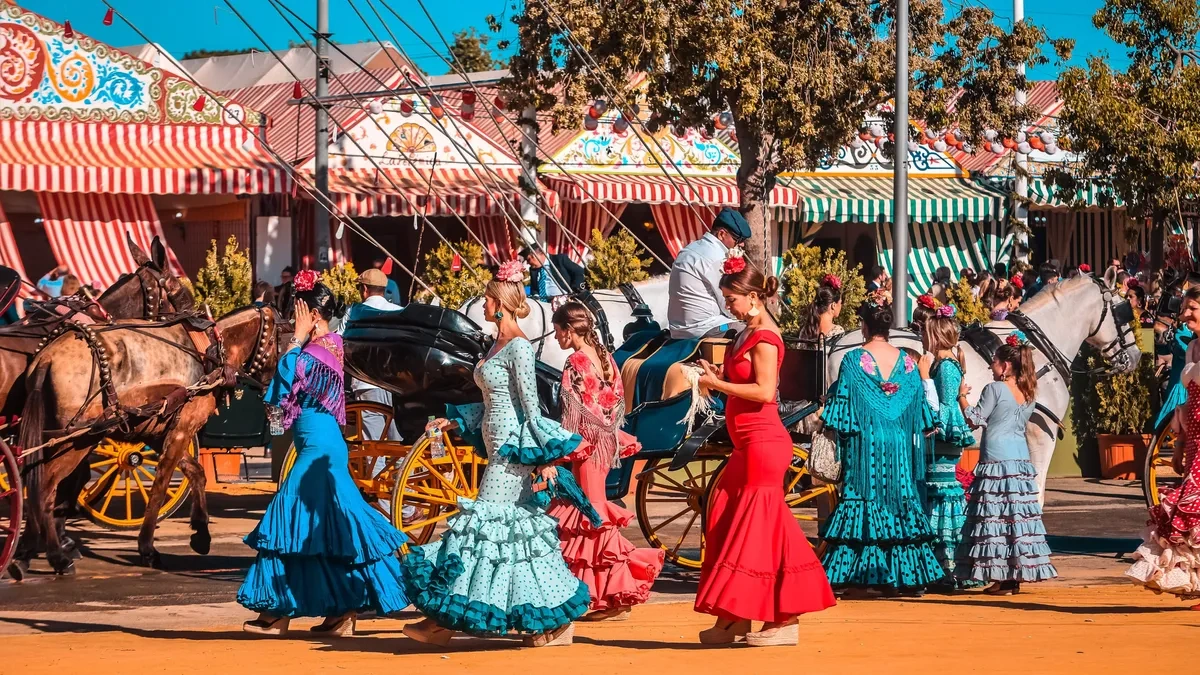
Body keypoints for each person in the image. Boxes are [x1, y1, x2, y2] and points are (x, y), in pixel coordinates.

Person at [403, 261, 589, 648]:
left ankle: (443, 620)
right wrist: (452, 422)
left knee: (479, 527)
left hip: (511, 454)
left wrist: (544, 457)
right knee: (516, 535)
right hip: (497, 445)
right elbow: (491, 403)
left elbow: (530, 408)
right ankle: (552, 623)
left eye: (486, 299)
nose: (483, 306)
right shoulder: (496, 345)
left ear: (499, 302)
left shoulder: (519, 347)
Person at [238, 271, 409, 636]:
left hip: (321, 451)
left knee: (287, 519)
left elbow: (287, 376)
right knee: (328, 529)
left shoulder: (323, 348)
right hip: (317, 447)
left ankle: (276, 610)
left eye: (297, 312)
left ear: (313, 315)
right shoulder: (321, 345)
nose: (291, 320)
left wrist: (296, 340)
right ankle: (342, 611)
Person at [693, 255, 835, 646]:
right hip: (747, 444)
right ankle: (737, 614)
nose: (727, 305)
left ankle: (784, 617)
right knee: (723, 510)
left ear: (753, 297)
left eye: (731, 298)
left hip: (763, 443)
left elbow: (764, 392)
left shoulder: (766, 337)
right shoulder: (744, 332)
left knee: (763, 528)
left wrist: (718, 386)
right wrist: (720, 377)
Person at [547, 302, 664, 621]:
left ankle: (604, 594)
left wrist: (560, 449)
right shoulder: (605, 358)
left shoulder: (575, 361)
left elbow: (571, 414)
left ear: (570, 331)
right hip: (605, 444)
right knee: (591, 514)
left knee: (590, 518)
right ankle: (608, 596)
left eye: (558, 331)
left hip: (586, 448)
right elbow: (617, 404)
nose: (556, 338)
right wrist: (605, 432)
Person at [821, 299, 944, 595]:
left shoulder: (852, 360)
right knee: (900, 499)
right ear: (888, 328)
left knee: (864, 500)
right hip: (899, 444)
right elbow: (921, 410)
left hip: (866, 445)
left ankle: (860, 577)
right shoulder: (907, 362)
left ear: (864, 326)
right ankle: (906, 577)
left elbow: (843, 408)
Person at [955, 334, 1057, 594]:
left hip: (996, 458)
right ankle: (1013, 578)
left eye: (995, 362)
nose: (991, 366)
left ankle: (1001, 578)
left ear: (1006, 366)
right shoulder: (1029, 391)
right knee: (1016, 519)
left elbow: (975, 419)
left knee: (996, 519)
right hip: (1019, 459)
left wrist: (961, 397)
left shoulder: (995, 389)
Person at [1127, 287, 1200, 606]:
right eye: (1184, 309)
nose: (1185, 315)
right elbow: (1187, 399)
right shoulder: (1194, 347)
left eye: (1192, 308)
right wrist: (1181, 443)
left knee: (1190, 509)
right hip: (1195, 438)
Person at [917, 311, 975, 584]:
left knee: (941, 492)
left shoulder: (946, 366)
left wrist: (925, 376)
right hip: (942, 434)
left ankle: (947, 567)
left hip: (943, 434)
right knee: (938, 491)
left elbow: (945, 404)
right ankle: (945, 564)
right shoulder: (947, 363)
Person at [340, 268, 403, 444]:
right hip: (395, 384)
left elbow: (339, 340)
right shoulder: (399, 311)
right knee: (398, 442)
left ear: (365, 289)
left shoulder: (354, 311)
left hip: (366, 384)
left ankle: (377, 471)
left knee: (372, 444)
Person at [667, 207, 750, 339]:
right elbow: (729, 305)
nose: (741, 245)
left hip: (678, 330)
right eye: (738, 239)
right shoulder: (716, 257)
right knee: (759, 335)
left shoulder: (689, 249)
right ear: (722, 234)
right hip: (706, 328)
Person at [798, 274, 845, 341]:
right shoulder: (837, 332)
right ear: (833, 305)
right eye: (840, 303)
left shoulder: (806, 330)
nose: (841, 306)